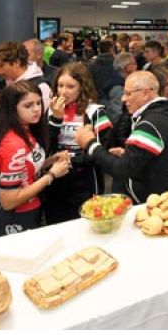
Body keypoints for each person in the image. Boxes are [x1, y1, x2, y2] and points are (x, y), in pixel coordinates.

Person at [75, 71, 168, 204]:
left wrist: (90, 144)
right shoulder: (162, 115)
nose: (123, 99)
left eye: (128, 94)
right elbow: (156, 158)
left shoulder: (150, 124)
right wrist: (129, 154)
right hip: (164, 197)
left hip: (158, 205)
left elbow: (122, 170)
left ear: (145, 93)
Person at [0, 81, 70, 235]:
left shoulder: (25, 130)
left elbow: (25, 170)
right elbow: (9, 201)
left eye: (38, 103)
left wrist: (50, 161)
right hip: (18, 217)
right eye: (28, 105)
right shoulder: (13, 144)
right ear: (12, 109)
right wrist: (51, 175)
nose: (36, 109)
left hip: (31, 209)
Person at [44, 63, 112, 224]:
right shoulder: (51, 110)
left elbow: (102, 152)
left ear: (82, 87)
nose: (63, 91)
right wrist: (56, 119)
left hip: (85, 179)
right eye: (60, 85)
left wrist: (71, 161)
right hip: (57, 178)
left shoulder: (95, 112)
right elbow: (45, 147)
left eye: (70, 86)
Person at [0, 41, 52, 111]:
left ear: (17, 62)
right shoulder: (2, 87)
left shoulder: (41, 87)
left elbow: (43, 116)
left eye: (1, 65)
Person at [107, 53, 137, 118]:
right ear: (125, 66)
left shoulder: (127, 80)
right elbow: (118, 113)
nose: (136, 65)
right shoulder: (117, 87)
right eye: (133, 63)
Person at [87, 39, 116, 106]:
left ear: (99, 49)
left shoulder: (91, 64)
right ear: (111, 48)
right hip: (114, 99)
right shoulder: (118, 63)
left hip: (96, 100)